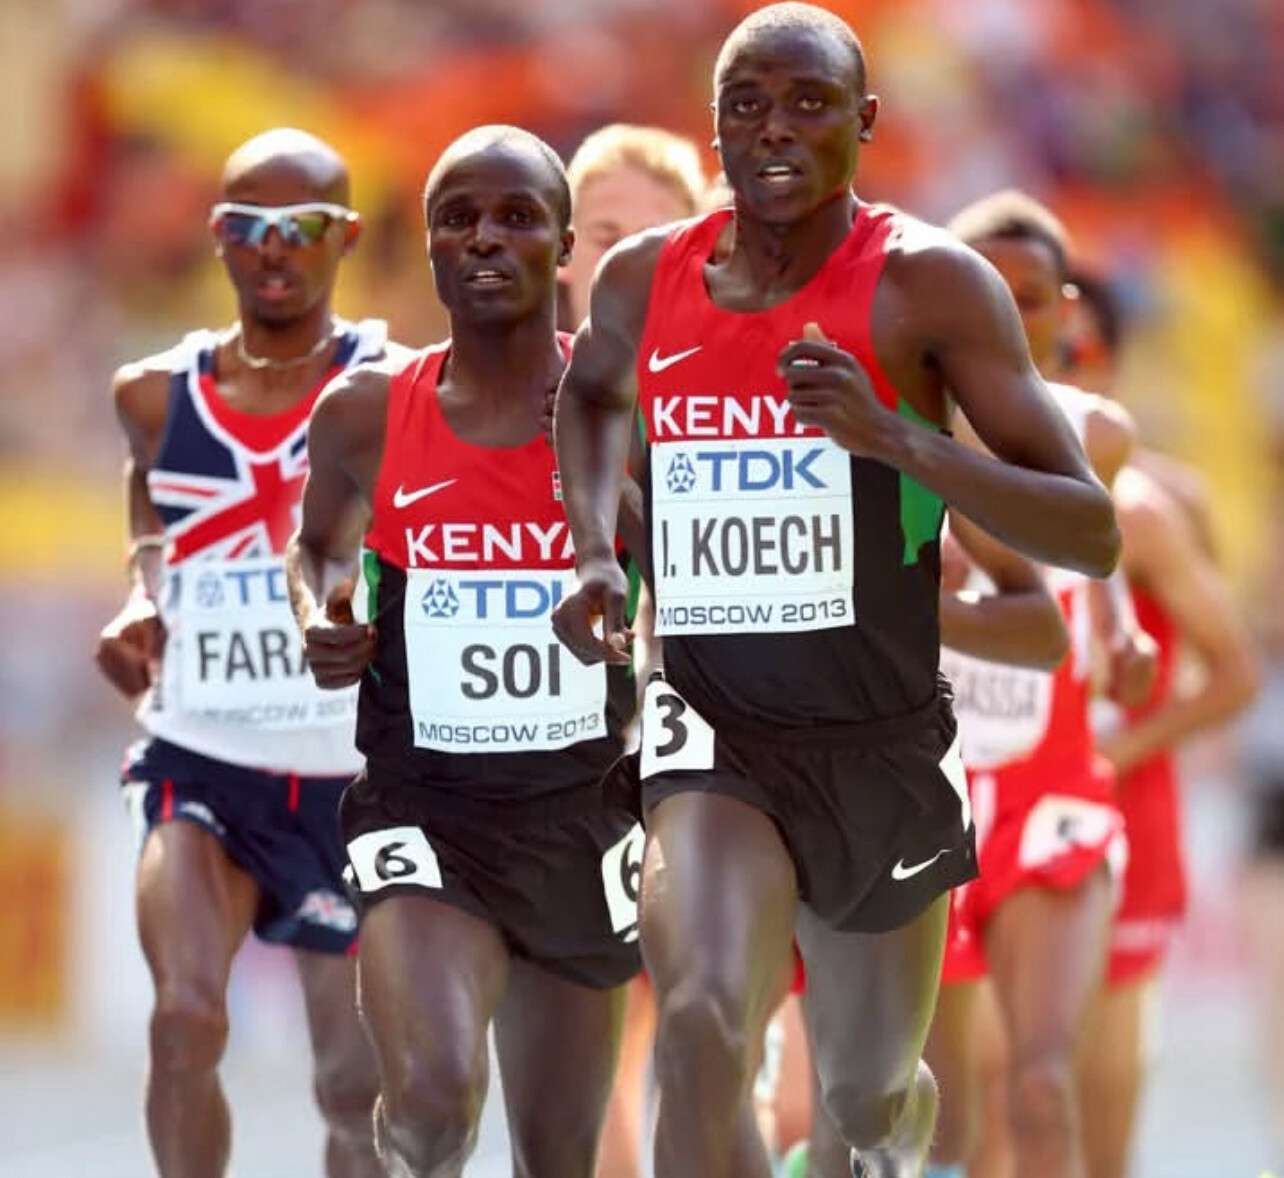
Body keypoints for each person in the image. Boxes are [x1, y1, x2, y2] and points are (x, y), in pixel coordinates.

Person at [550, 6, 1120, 1177]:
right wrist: (598, 550)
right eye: (747, 105)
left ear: (864, 122)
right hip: (713, 733)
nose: (776, 129)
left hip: (881, 744)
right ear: (714, 126)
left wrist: (894, 437)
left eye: (809, 104)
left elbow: (1089, 528)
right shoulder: (645, 279)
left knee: (865, 1098)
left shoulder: (930, 286)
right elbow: (591, 395)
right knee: (702, 1019)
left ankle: (892, 1137)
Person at [285, 124, 642, 1178]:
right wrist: (322, 608)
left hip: (584, 815)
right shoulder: (365, 412)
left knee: (558, 1154)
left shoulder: (626, 412)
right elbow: (317, 547)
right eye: (458, 219)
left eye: (517, 217)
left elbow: (689, 577)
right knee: (434, 1105)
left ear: (565, 246)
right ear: (431, 245)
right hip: (423, 808)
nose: (485, 238)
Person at [93, 127, 391, 1178]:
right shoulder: (150, 395)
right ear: (218, 237)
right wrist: (143, 593)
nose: (275, 247)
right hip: (203, 755)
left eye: (302, 226)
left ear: (345, 237)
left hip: (349, 776)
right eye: (251, 226)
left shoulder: (392, 388)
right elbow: (151, 503)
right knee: (184, 1016)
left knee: (353, 1086)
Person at [924, 190, 1152, 1178]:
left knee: (1040, 1083)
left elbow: (1094, 548)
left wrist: (1123, 634)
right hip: (926, 789)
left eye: (1029, 296)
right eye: (986, 291)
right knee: (937, 1108)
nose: (1008, 314)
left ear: (1065, 310)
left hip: (1048, 784)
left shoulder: (1095, 429)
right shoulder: (890, 425)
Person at [1063, 270, 1260, 1178]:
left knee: (1102, 1097)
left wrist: (1117, 744)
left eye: (1077, 352)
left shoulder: (1162, 502)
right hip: (995, 808)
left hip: (1122, 816)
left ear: (1110, 361)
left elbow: (1221, 668)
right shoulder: (958, 489)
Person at [556, 122, 709, 1178]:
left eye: (652, 238)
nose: (625, 259)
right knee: (600, 1033)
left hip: (720, 741)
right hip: (562, 752)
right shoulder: (500, 391)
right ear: (564, 251)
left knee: (728, 1037)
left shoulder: (721, 392)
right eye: (605, 232)